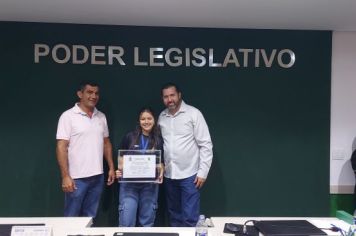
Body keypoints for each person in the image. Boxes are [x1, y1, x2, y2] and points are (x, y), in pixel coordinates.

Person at [56, 81, 115, 217]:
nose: (93, 96)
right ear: (80, 94)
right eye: (89, 92)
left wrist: (111, 167)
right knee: (71, 218)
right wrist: (65, 176)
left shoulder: (101, 116)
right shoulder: (68, 116)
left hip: (97, 177)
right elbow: (61, 147)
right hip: (76, 179)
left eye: (96, 93)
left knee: (90, 218)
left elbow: (106, 143)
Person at [158, 82, 213, 227]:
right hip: (170, 176)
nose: (170, 99)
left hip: (190, 176)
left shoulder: (194, 114)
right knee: (174, 216)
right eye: (166, 97)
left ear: (179, 95)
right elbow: (160, 145)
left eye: (172, 95)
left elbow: (206, 144)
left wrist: (203, 172)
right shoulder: (161, 117)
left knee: (189, 218)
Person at [116, 107, 164, 227]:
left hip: (150, 186)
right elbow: (121, 159)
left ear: (154, 120)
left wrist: (161, 172)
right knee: (126, 222)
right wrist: (119, 171)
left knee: (147, 223)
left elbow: (161, 163)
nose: (146, 122)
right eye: (143, 119)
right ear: (139, 121)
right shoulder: (130, 137)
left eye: (149, 118)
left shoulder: (158, 140)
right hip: (129, 186)